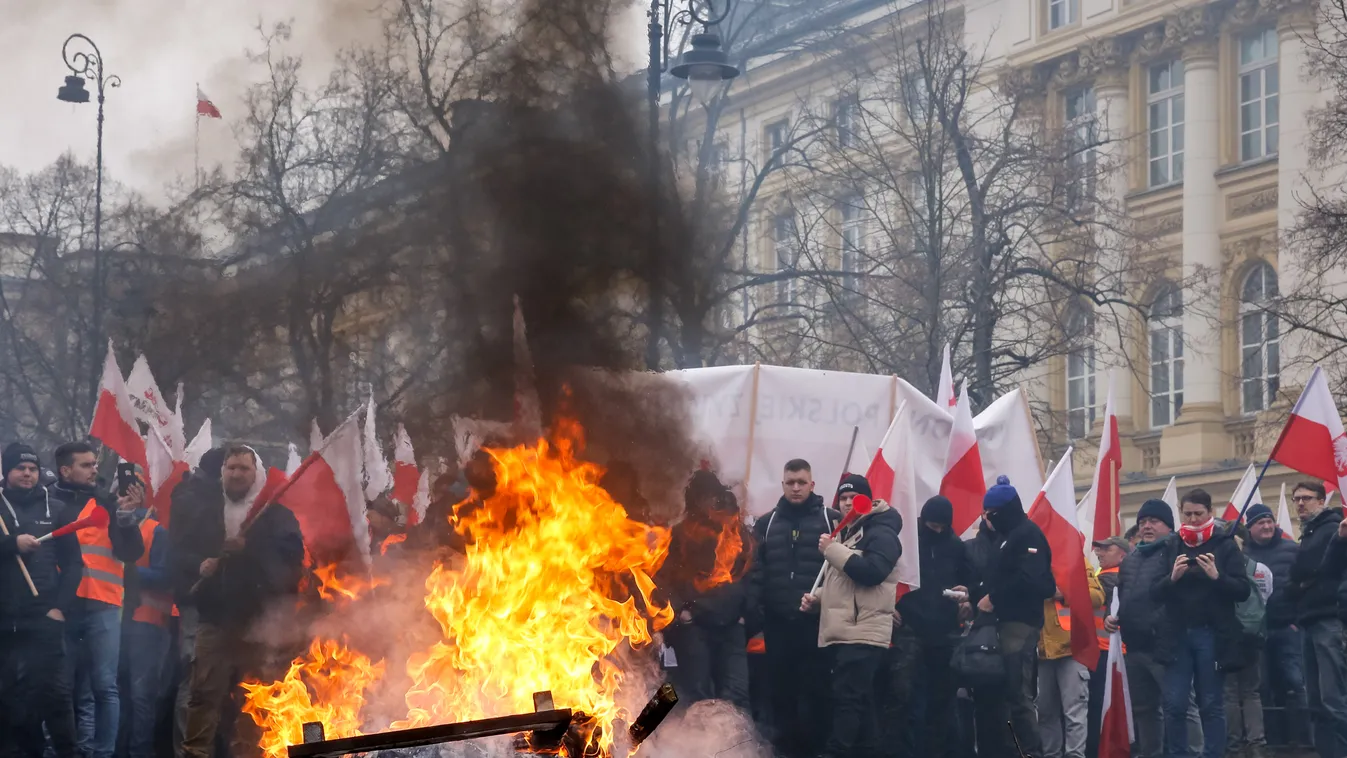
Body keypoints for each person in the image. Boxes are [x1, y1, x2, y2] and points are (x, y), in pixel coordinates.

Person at [171, 445, 304, 758]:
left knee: (256, 697)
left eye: (244, 468)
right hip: (214, 620)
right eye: (231, 467)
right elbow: (177, 553)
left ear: (256, 473)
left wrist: (249, 550)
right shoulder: (205, 511)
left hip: (259, 624)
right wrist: (199, 565)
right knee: (202, 695)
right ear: (222, 472)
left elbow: (291, 563)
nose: (236, 474)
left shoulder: (275, 515)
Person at [50, 441, 145, 758]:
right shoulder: (48, 503)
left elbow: (131, 552)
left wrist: (127, 518)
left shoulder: (108, 503)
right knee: (60, 688)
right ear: (66, 470)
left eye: (94, 464)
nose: (94, 470)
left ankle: (101, 754)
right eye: (86, 465)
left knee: (104, 687)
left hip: (103, 605)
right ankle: (64, 751)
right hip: (62, 608)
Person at [800, 473, 902, 758]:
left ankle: (835, 753)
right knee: (861, 702)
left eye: (853, 498)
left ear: (867, 500)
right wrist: (818, 599)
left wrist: (832, 550)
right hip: (846, 632)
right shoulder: (849, 532)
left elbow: (873, 573)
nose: (846, 503)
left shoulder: (882, 532)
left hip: (862, 632)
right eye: (842, 498)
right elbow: (846, 585)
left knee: (848, 700)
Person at [745, 458, 839, 758]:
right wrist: (757, 614)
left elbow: (843, 574)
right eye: (790, 482)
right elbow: (755, 572)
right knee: (780, 695)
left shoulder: (832, 520)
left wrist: (822, 602)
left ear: (812, 485)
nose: (796, 488)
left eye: (801, 482)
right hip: (778, 625)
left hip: (817, 626)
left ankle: (815, 751)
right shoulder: (766, 523)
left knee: (816, 694)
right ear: (783, 485)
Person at [1152, 488, 1250, 758]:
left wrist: (1217, 576)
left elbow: (1243, 590)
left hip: (1211, 634)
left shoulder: (1225, 544)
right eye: (1188, 514)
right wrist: (1172, 578)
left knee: (1211, 703)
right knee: (1174, 704)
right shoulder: (1172, 545)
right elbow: (1154, 592)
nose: (1193, 519)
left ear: (1210, 513)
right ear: (1180, 513)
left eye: (1198, 513)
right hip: (1177, 635)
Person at [0, 443, 83, 758]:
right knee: (9, 695)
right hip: (5, 618)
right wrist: (11, 544)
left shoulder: (58, 509)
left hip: (44, 616)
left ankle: (68, 752)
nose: (27, 474)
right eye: (20, 468)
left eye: (32, 469)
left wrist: (60, 608)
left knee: (55, 693)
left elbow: (73, 564)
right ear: (7, 471)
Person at [968, 475, 1056, 758]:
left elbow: (1031, 578)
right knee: (1002, 693)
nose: (987, 519)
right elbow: (998, 578)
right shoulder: (1006, 538)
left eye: (990, 514)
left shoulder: (1027, 535)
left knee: (1018, 694)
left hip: (1019, 624)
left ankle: (1030, 752)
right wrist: (972, 594)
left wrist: (994, 598)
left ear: (1003, 512)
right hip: (1003, 624)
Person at [882, 495, 971, 758]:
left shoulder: (956, 547)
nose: (938, 530)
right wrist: (888, 605)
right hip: (910, 629)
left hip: (944, 632)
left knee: (941, 701)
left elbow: (968, 581)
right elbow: (885, 577)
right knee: (904, 698)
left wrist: (967, 597)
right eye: (934, 526)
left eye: (943, 526)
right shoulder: (907, 542)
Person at [657, 470, 751, 710]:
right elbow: (664, 578)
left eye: (713, 495)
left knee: (736, 693)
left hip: (731, 625)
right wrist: (680, 613)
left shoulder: (735, 532)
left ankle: (729, 735)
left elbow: (752, 574)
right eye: (703, 495)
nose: (709, 501)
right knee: (698, 695)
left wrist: (746, 614)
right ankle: (698, 735)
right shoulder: (679, 534)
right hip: (693, 626)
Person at [1104, 500, 1175, 758]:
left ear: (1168, 526)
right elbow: (1121, 596)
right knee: (1144, 709)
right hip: (1134, 646)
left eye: (1154, 521)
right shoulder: (1131, 560)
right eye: (1143, 522)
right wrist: (1111, 617)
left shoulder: (1175, 552)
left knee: (1178, 706)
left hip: (1164, 645)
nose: (1147, 526)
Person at [1242, 501, 1307, 749]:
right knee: (1262, 686)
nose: (1267, 526)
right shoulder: (1242, 555)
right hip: (1257, 633)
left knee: (1295, 682)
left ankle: (1302, 739)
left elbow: (1305, 585)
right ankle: (1273, 740)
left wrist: (1297, 622)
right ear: (1250, 528)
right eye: (1261, 523)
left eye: (1269, 521)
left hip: (1288, 627)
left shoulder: (1292, 550)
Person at [1295, 480, 1347, 758]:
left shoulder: (1330, 529)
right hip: (1309, 619)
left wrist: (1302, 580)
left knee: (1333, 699)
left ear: (1321, 501)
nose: (1300, 503)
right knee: (1315, 701)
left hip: (1328, 619)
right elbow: (1298, 574)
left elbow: (1313, 570)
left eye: (1306, 498)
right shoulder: (1309, 532)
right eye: (1296, 499)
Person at [1036, 561, 1104, 758]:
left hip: (1072, 650)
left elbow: (1097, 596)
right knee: (1046, 713)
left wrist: (1064, 593)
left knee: (1074, 713)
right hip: (1041, 651)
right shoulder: (1030, 559)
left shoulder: (1075, 559)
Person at [124, 506, 173, 758]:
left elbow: (165, 576)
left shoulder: (156, 531)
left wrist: (127, 570)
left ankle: (139, 752)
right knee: (116, 692)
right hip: (114, 622)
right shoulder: (109, 529)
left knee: (141, 695)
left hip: (147, 623)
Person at [1225, 526, 1273, 758]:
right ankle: (1257, 743)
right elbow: (1266, 598)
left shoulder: (1219, 568)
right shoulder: (1261, 569)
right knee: (1251, 692)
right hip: (1253, 636)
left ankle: (1233, 745)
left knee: (1229, 693)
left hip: (1227, 636)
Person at [1087, 536, 1129, 758]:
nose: (1099, 553)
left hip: (1108, 652)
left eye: (1106, 549)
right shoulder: (1103, 575)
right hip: (1105, 651)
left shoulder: (1112, 578)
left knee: (1099, 707)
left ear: (1122, 554)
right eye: (1098, 549)